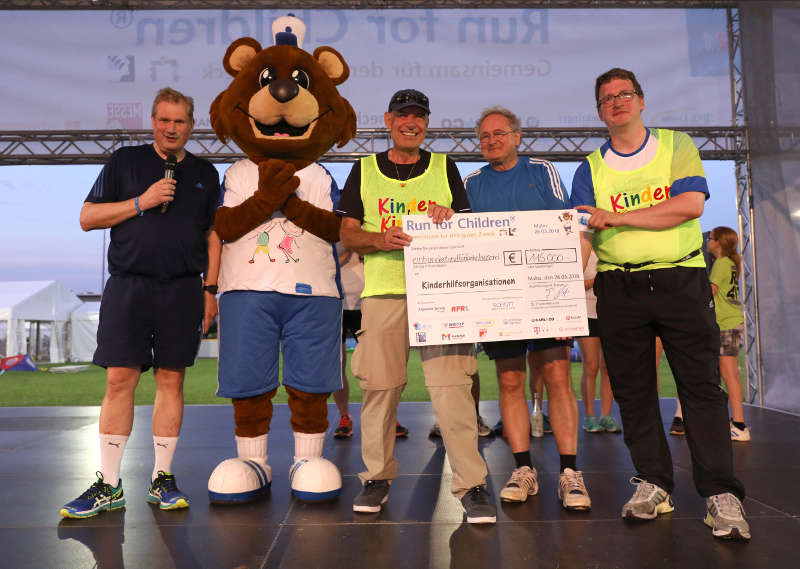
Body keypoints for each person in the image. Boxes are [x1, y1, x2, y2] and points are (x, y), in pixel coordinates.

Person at [572, 68, 749, 540]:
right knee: (633, 392)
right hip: (618, 289)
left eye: (625, 94)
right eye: (607, 98)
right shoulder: (587, 167)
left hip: (681, 282)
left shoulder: (676, 145)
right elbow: (585, 235)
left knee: (701, 389)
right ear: (599, 111)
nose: (617, 102)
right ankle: (654, 482)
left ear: (642, 101)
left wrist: (618, 217)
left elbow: (689, 205)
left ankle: (720, 494)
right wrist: (555, 283)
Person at [337, 89, 496, 524]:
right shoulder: (364, 169)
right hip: (384, 293)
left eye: (419, 116)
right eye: (404, 115)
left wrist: (451, 217)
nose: (411, 122)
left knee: (453, 395)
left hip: (441, 295)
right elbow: (348, 234)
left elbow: (469, 230)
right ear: (388, 119)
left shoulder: (445, 166)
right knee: (379, 390)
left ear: (427, 123)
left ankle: (472, 485)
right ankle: (376, 477)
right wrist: (378, 239)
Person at [61, 88, 220, 518]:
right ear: (153, 121)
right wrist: (141, 202)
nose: (171, 129)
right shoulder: (125, 162)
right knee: (119, 380)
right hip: (129, 286)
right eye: (164, 120)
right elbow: (87, 218)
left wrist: (211, 289)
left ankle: (161, 478)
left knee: (172, 381)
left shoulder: (206, 173)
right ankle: (109, 484)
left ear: (192, 126)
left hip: (184, 289)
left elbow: (212, 235)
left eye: (180, 122)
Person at [464, 106, 590, 510]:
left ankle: (571, 473)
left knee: (556, 375)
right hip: (498, 297)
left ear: (518, 137)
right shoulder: (470, 183)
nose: (491, 141)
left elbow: (565, 225)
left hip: (544, 292)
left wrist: (569, 277)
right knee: (511, 381)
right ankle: (523, 470)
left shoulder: (543, 171)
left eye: (499, 134)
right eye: (484, 137)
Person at [334, 245, 409, 439]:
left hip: (368, 301)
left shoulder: (366, 228)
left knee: (381, 364)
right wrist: (349, 250)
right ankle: (344, 417)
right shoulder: (331, 229)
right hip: (335, 303)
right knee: (338, 363)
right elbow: (325, 264)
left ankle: (390, 418)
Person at [707, 226, 749, 441]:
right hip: (731, 322)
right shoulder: (731, 263)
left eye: (711, 238)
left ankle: (739, 424)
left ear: (719, 243)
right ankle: (737, 422)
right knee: (729, 373)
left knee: (729, 373)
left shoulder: (722, 263)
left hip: (725, 323)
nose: (708, 241)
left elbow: (709, 292)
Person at [578, 250, 621, 434]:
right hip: (587, 312)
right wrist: (597, 281)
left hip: (612, 312)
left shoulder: (613, 249)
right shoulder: (583, 248)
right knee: (591, 365)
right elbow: (570, 285)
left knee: (609, 366)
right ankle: (589, 416)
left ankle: (606, 415)